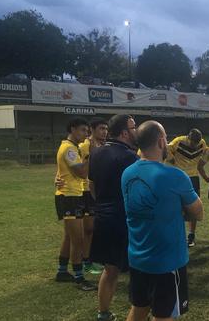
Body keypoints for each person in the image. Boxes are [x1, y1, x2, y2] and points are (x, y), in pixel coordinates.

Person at [122, 121, 204, 321]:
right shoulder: (174, 175)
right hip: (167, 262)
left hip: (137, 257)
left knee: (139, 307)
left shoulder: (127, 173)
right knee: (164, 315)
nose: (167, 142)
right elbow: (198, 212)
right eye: (166, 138)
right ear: (160, 142)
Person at [89, 114, 139, 321]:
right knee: (139, 270)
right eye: (134, 127)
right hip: (125, 219)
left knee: (110, 269)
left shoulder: (97, 153)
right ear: (125, 133)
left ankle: (103, 313)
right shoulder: (130, 157)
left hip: (102, 216)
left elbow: (92, 186)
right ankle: (140, 311)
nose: (137, 130)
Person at [53, 117, 96, 291]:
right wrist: (91, 155)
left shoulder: (73, 147)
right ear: (72, 129)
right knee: (78, 239)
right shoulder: (69, 149)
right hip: (69, 196)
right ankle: (79, 277)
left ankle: (62, 271)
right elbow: (82, 173)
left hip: (73, 194)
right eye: (83, 130)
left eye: (87, 131)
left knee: (70, 237)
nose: (86, 134)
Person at [167, 129, 207, 247]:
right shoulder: (178, 141)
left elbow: (205, 151)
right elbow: (167, 148)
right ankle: (178, 235)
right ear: (188, 138)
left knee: (193, 207)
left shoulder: (202, 143)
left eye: (196, 143)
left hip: (193, 178)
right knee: (176, 206)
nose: (194, 145)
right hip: (179, 176)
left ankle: (191, 236)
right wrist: (172, 160)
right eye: (192, 142)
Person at [79, 117, 109, 275]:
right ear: (92, 129)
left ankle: (92, 258)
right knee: (89, 228)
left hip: (98, 188)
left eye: (106, 129)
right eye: (101, 129)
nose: (104, 132)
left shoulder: (102, 146)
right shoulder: (86, 145)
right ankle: (85, 260)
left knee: (95, 228)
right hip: (85, 190)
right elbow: (81, 169)